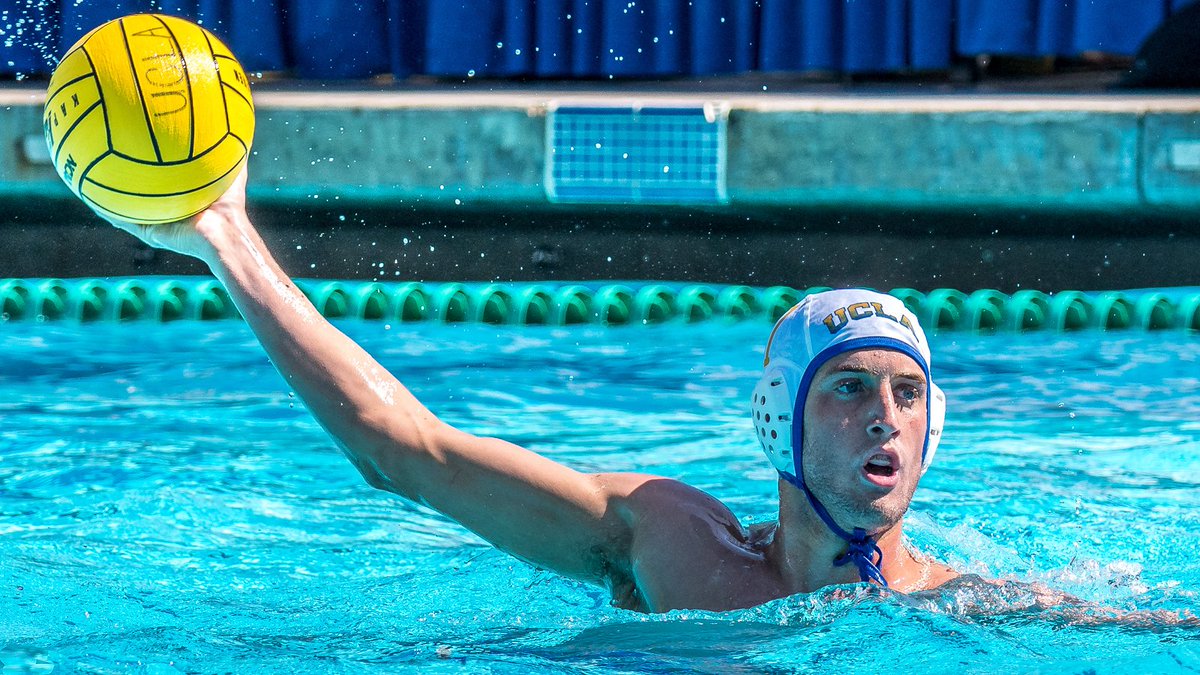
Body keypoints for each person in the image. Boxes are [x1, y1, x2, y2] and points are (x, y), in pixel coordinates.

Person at [104, 167, 963, 613]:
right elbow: (406, 451)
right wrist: (226, 237)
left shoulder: (965, 607)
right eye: (849, 387)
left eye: (907, 393)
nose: (884, 418)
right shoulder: (665, 542)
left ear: (933, 429)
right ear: (779, 416)